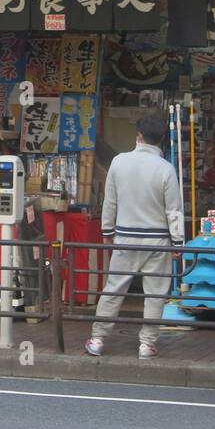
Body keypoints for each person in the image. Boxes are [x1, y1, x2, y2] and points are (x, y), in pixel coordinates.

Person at [85, 112, 185, 360]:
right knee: (155, 294)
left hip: (125, 238)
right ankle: (146, 344)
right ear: (161, 139)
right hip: (158, 240)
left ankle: (98, 339)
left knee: (114, 289)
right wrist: (178, 242)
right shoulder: (166, 169)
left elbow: (110, 201)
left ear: (138, 135)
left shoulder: (119, 162)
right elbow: (174, 210)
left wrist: (107, 231)